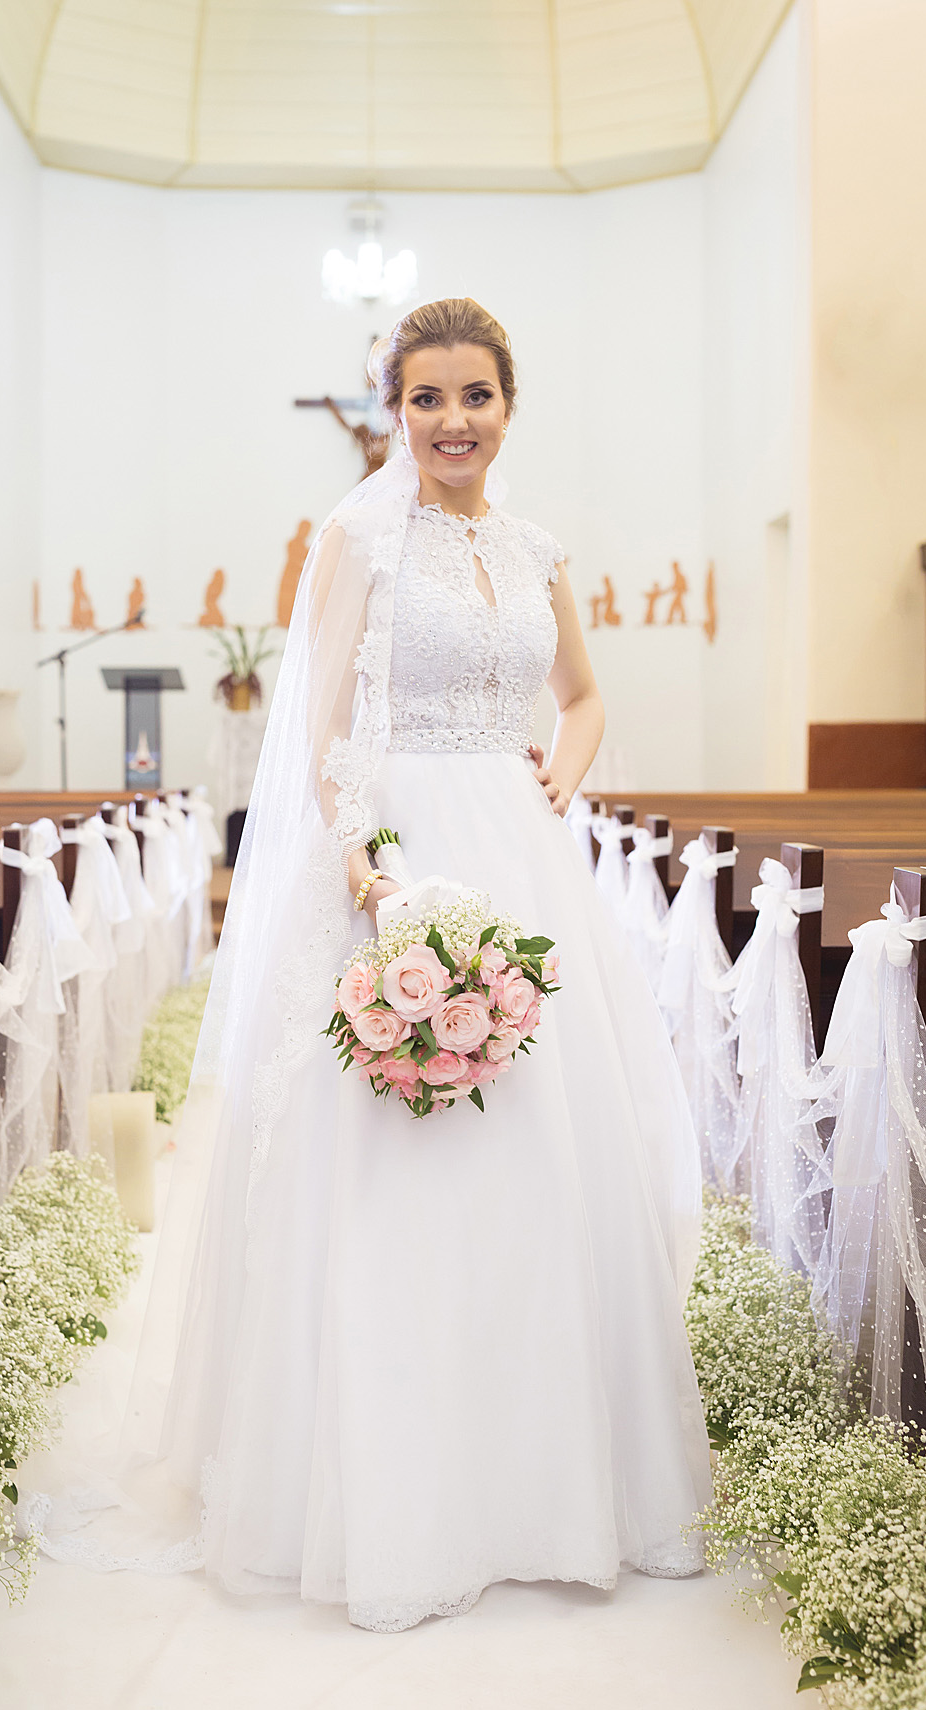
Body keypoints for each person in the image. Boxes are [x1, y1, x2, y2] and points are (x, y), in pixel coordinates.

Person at [136, 299, 711, 1634]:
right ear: (396, 411)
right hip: (390, 854)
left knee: (544, 1144)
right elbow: (324, 720)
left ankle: (549, 1483)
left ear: (512, 403)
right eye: (428, 398)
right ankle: (391, 1490)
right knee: (393, 1152)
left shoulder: (535, 544)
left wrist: (555, 786)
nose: (453, 420)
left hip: (519, 853)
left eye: (477, 395)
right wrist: (361, 865)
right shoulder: (353, 541)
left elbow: (582, 697)